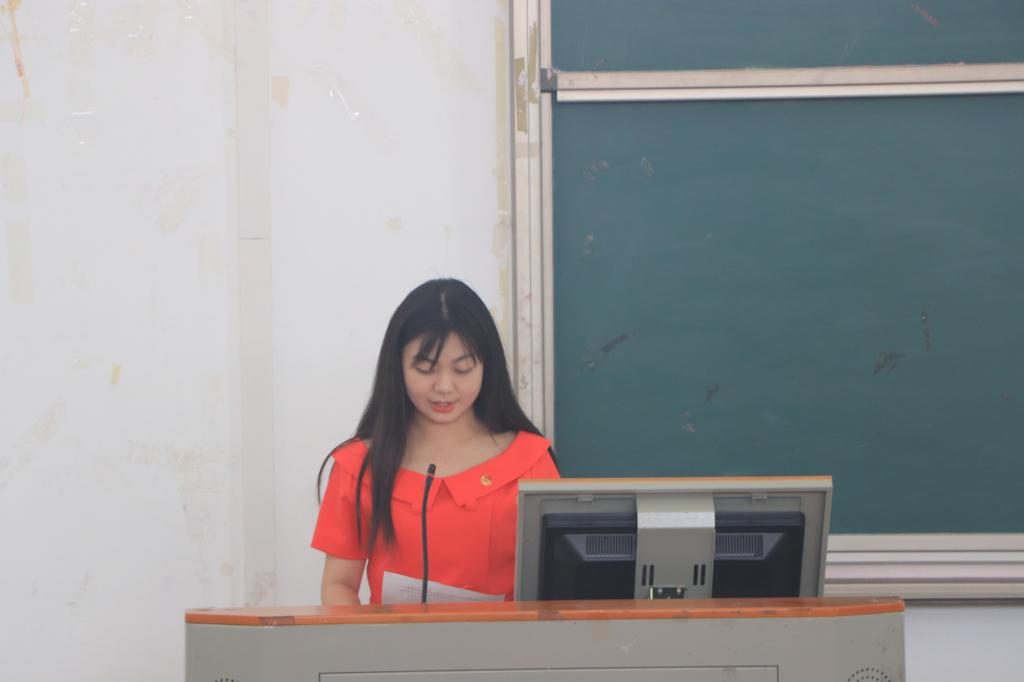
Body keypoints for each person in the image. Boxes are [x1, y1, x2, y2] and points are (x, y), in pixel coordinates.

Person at [312, 278, 559, 605]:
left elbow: (556, 590)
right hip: (392, 639)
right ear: (397, 367)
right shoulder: (359, 466)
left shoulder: (529, 460)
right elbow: (339, 585)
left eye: (463, 369)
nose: (444, 387)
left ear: (487, 367)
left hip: (506, 639)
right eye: (426, 368)